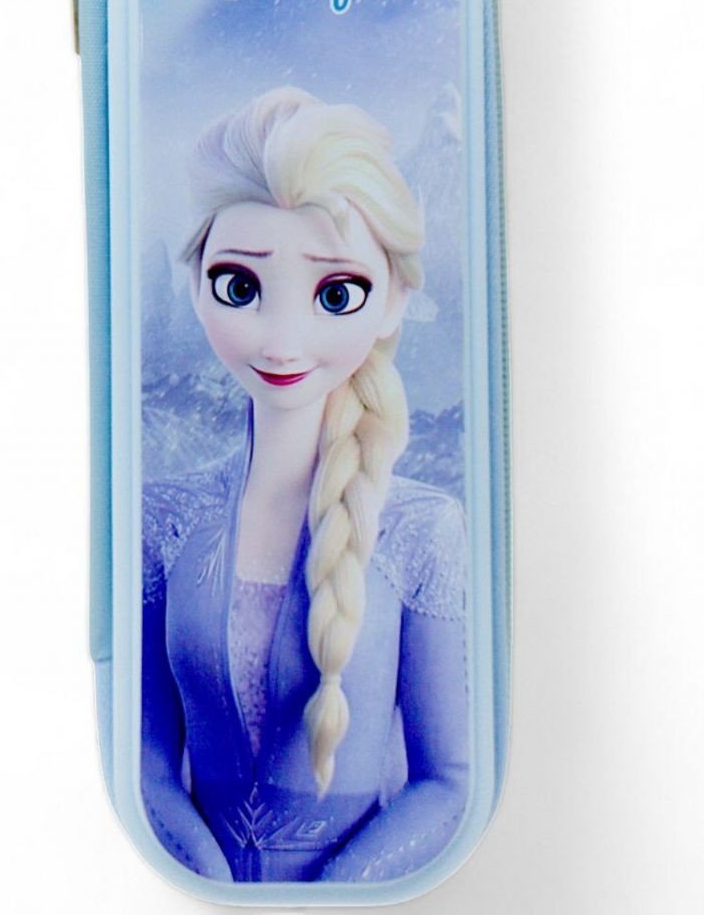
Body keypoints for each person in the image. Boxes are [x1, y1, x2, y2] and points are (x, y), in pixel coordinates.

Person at [141, 87, 469, 883]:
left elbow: (449, 783)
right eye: (240, 287)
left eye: (335, 294)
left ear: (393, 301)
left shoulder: (420, 530)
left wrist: (333, 899)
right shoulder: (164, 521)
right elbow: (143, 763)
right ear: (196, 284)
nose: (284, 341)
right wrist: (212, 886)